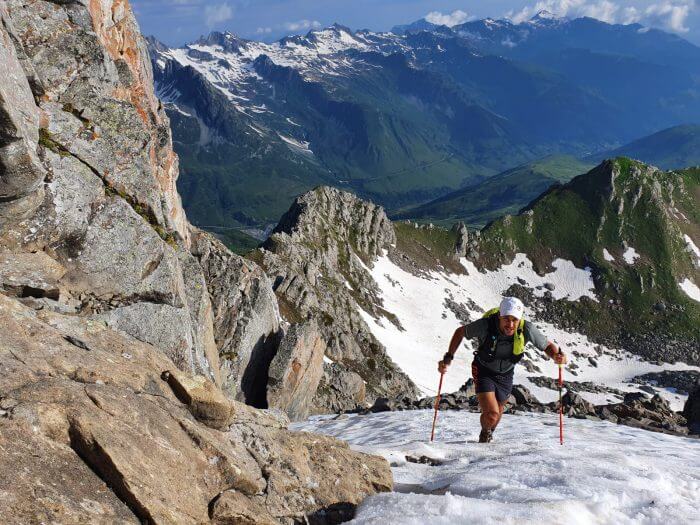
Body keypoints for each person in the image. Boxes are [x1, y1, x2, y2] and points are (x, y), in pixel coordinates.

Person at [437, 297, 567, 443]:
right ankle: (485, 434)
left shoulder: (527, 329)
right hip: (483, 370)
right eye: (506, 319)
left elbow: (547, 345)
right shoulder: (486, 325)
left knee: (498, 412)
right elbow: (460, 332)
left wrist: (556, 356)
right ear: (499, 316)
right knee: (492, 414)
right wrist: (448, 357)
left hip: (506, 374)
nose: (510, 324)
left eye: (514, 320)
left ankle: (488, 433)